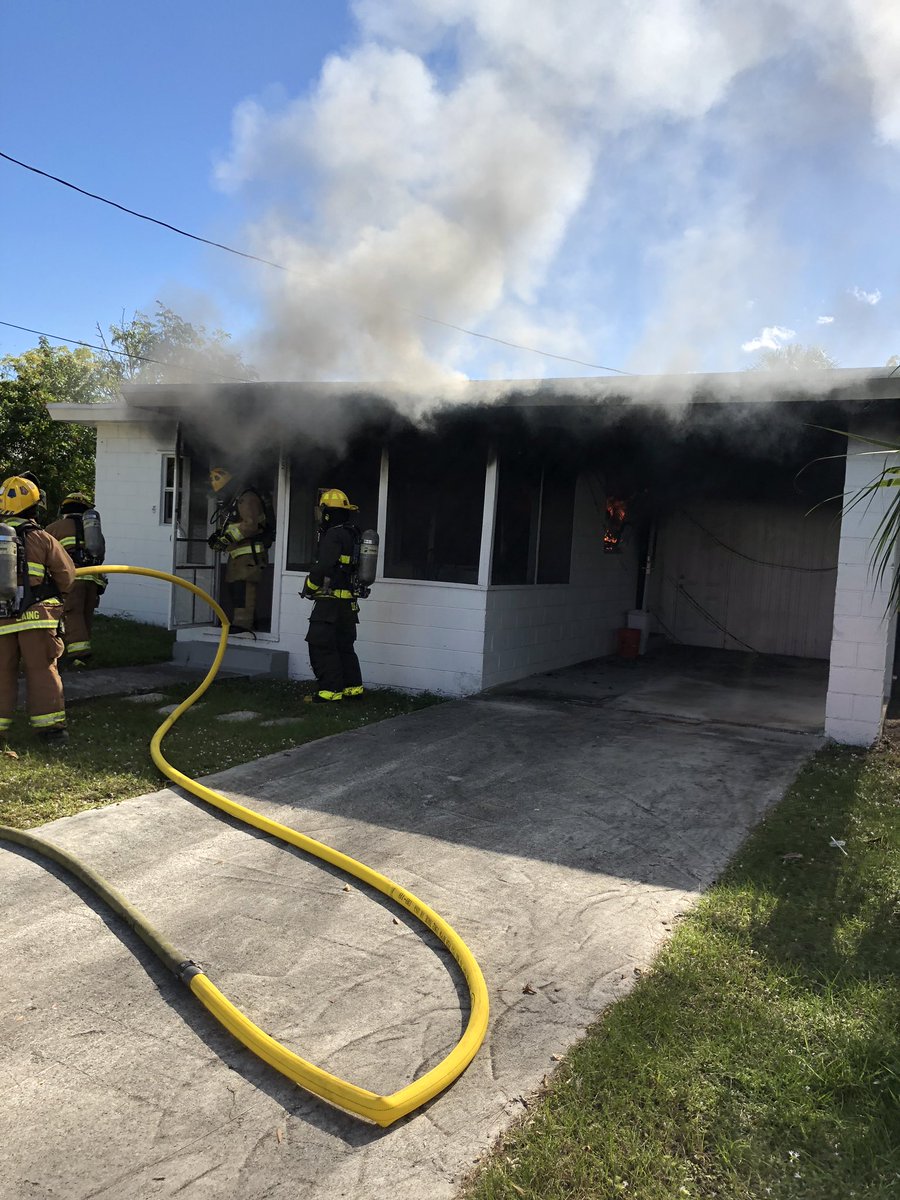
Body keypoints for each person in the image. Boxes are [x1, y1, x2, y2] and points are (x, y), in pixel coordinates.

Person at [0, 474, 75, 747]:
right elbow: (67, 576)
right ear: (33, 507)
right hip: (37, 617)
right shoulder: (42, 538)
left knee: (1, 672)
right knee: (42, 670)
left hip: (1, 619)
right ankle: (52, 732)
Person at [301, 488, 366, 703]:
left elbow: (323, 566)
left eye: (323, 511)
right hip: (348, 605)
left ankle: (329, 692)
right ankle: (352, 688)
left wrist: (309, 587)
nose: (321, 516)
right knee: (344, 646)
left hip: (329, 604)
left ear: (328, 512)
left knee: (321, 645)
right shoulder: (352, 533)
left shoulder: (333, 534)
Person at [207, 466, 271, 635]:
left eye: (223, 491)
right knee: (235, 590)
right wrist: (219, 538)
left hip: (250, 555)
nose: (221, 496)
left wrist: (227, 539)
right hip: (238, 556)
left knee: (243, 590)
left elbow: (251, 525)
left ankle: (243, 625)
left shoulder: (247, 499)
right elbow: (234, 525)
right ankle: (246, 621)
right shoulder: (236, 500)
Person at [45, 491, 107, 666]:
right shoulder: (94, 532)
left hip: (72, 579)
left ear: (64, 509)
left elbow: (45, 554)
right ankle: (84, 650)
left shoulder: (54, 528)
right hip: (93, 580)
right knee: (86, 614)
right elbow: (101, 555)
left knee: (72, 614)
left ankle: (79, 656)